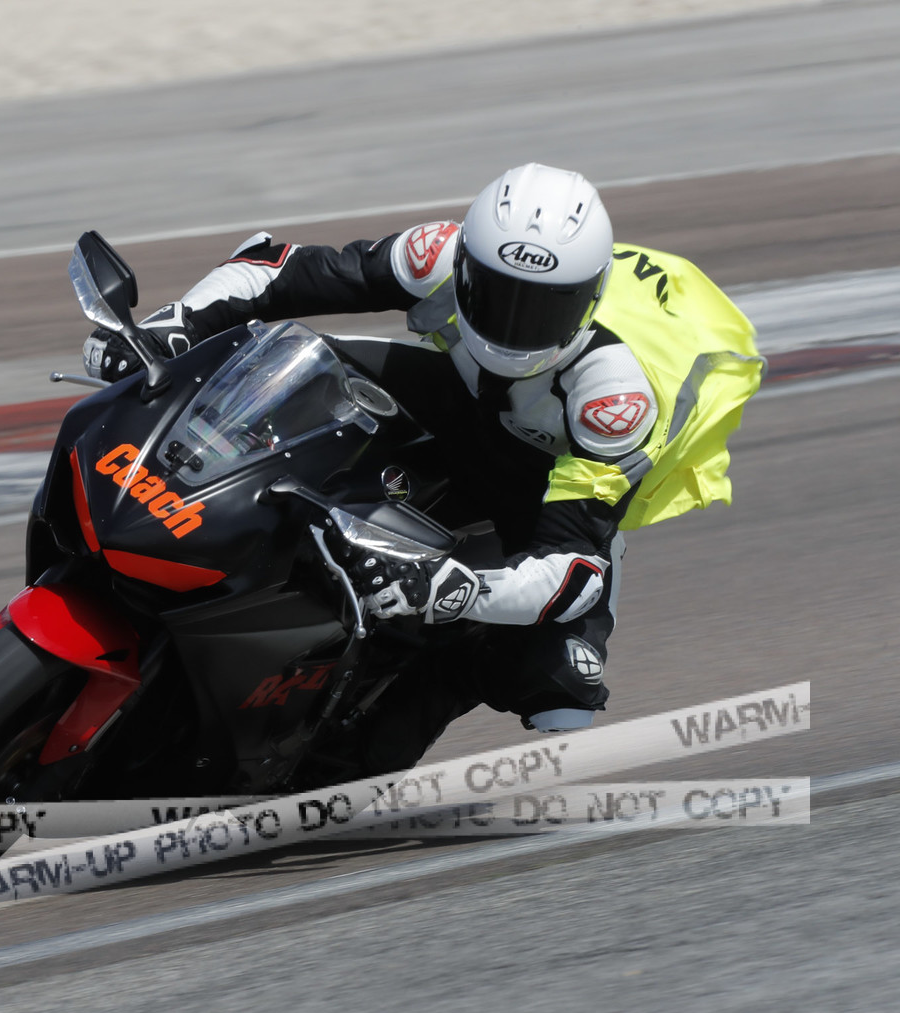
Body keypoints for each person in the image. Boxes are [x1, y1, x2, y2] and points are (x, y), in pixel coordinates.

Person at [82, 163, 761, 743]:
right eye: (495, 295)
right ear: (465, 265)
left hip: (550, 474)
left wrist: (457, 590)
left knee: (558, 684)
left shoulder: (614, 400)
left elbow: (575, 565)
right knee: (292, 370)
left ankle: (383, 722)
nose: (513, 326)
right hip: (462, 397)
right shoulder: (436, 253)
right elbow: (280, 269)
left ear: (588, 301)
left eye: (541, 310)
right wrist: (174, 325)